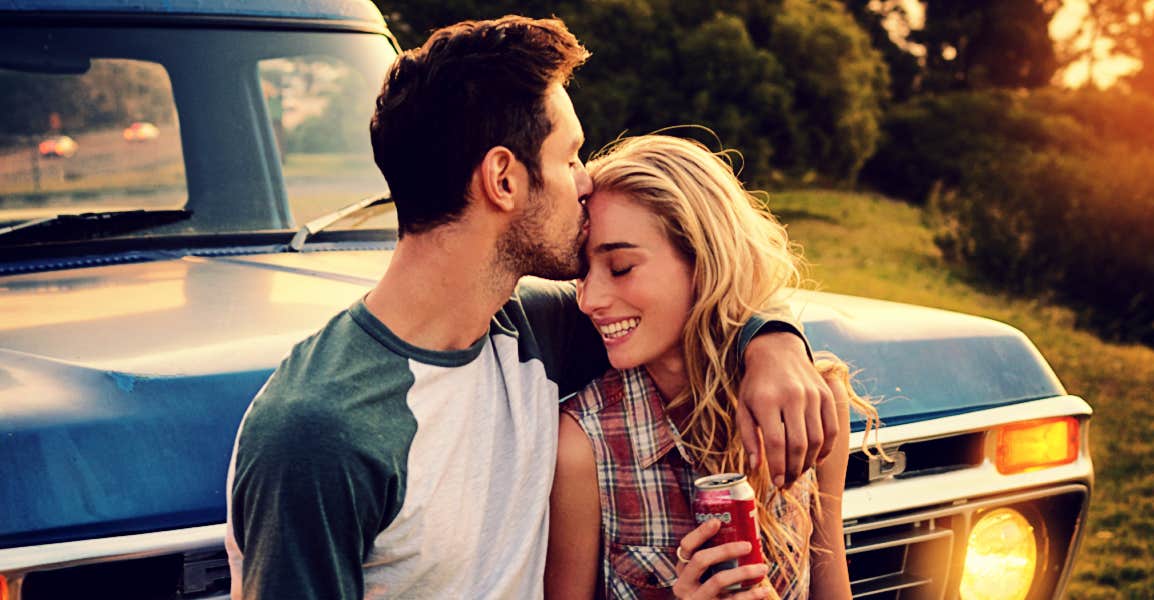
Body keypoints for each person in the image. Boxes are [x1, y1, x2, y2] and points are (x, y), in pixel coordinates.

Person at [225, 16, 838, 600]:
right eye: (569, 157)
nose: (586, 181)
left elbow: (702, 301)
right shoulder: (319, 431)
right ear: (504, 179)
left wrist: (773, 342)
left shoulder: (536, 328)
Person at [545, 135, 882, 599]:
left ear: (704, 262)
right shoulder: (584, 445)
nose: (590, 300)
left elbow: (830, 584)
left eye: (620, 267)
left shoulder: (811, 400)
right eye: (582, 274)